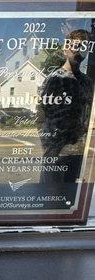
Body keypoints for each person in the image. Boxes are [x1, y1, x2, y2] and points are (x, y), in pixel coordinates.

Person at [39, 29, 93, 183]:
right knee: (49, 194)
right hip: (56, 151)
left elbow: (86, 114)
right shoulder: (54, 79)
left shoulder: (87, 82)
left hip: (77, 151)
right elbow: (42, 115)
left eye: (83, 47)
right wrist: (49, 147)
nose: (78, 52)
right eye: (75, 46)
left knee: (70, 195)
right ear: (66, 48)